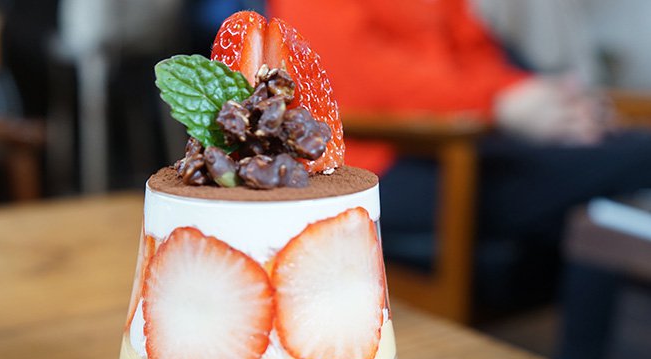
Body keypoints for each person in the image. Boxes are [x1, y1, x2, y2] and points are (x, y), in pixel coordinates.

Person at [268, 0, 651, 310]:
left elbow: (480, 53)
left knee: (607, 177)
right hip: (381, 159)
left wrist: (544, 99)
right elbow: (364, 81)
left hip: (470, 139)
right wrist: (500, 102)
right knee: (632, 158)